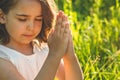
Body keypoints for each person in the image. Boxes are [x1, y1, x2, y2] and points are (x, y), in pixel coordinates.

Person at [0, 0, 84, 80]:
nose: (31, 27)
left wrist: (69, 55)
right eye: (22, 19)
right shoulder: (3, 57)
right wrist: (54, 55)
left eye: (38, 19)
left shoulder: (42, 49)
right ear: (2, 16)